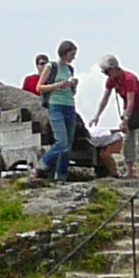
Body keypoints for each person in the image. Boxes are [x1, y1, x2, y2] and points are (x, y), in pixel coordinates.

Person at [34, 40, 82, 183]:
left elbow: (72, 93)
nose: (73, 57)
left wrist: (73, 86)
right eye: (72, 54)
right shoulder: (51, 66)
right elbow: (40, 87)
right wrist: (58, 85)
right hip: (55, 105)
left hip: (69, 105)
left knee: (68, 144)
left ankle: (61, 176)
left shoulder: (70, 69)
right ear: (64, 53)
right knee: (61, 141)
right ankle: (41, 165)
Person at [97, 57, 139, 175]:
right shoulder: (111, 80)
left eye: (107, 71)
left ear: (114, 68)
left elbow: (130, 101)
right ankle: (130, 171)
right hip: (129, 110)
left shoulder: (129, 78)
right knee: (128, 138)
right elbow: (105, 99)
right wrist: (97, 115)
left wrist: (126, 119)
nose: (106, 75)